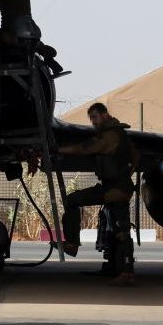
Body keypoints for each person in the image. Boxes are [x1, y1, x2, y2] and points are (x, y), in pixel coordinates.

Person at [57, 102, 136, 285]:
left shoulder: (110, 136)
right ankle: (125, 271)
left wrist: (60, 149)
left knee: (73, 200)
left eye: (94, 117)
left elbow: (86, 148)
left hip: (115, 189)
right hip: (116, 187)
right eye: (91, 118)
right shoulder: (121, 134)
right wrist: (129, 171)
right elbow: (135, 154)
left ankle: (72, 244)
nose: (92, 122)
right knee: (120, 230)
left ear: (105, 114)